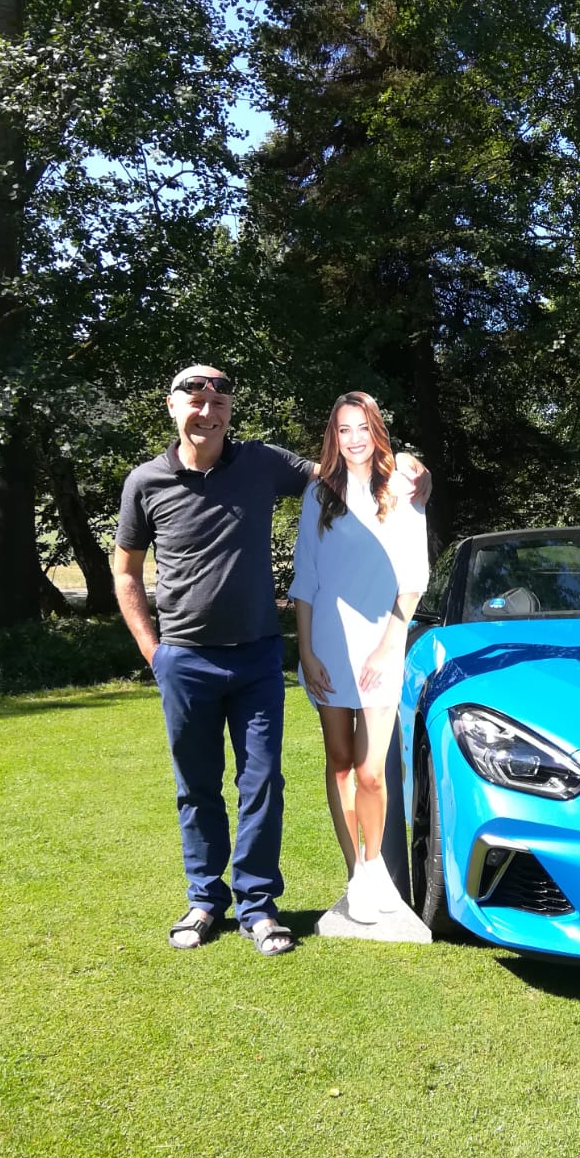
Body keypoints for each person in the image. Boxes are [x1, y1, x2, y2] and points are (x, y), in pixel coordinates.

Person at [113, 367, 429, 956]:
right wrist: (153, 651)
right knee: (196, 786)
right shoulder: (145, 481)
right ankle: (204, 900)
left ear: (229, 410)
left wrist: (408, 464)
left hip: (257, 657)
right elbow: (126, 571)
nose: (207, 410)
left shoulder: (261, 462)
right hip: (184, 657)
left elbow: (342, 471)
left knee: (261, 784)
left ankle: (258, 906)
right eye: (195, 399)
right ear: (172, 406)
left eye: (219, 401)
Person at [290, 391, 429, 925]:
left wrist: (390, 644)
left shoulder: (403, 487)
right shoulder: (318, 493)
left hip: (382, 646)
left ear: (377, 431)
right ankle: (356, 874)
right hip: (328, 644)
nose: (353, 439)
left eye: (362, 428)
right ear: (333, 436)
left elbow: (414, 577)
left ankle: (376, 866)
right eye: (343, 429)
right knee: (341, 762)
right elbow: (306, 578)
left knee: (372, 772)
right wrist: (305, 650)